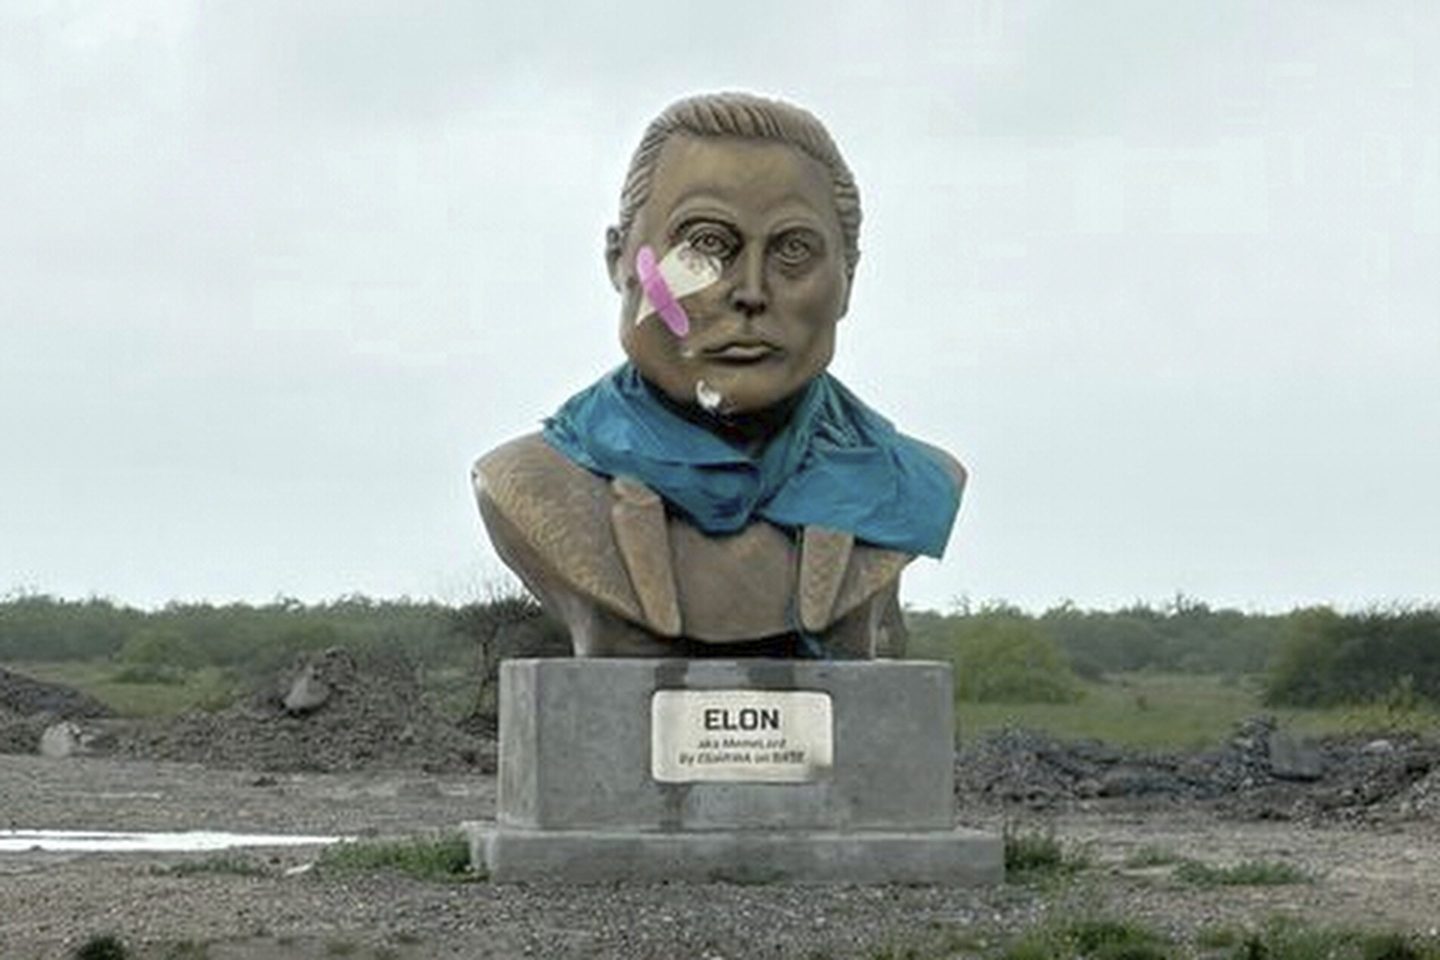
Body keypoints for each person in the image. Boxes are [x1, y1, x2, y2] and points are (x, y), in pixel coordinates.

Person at [473, 92, 965, 658]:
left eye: (794, 251)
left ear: (848, 279)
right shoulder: (529, 483)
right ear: (619, 260)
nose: (751, 292)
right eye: (706, 245)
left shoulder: (909, 482)